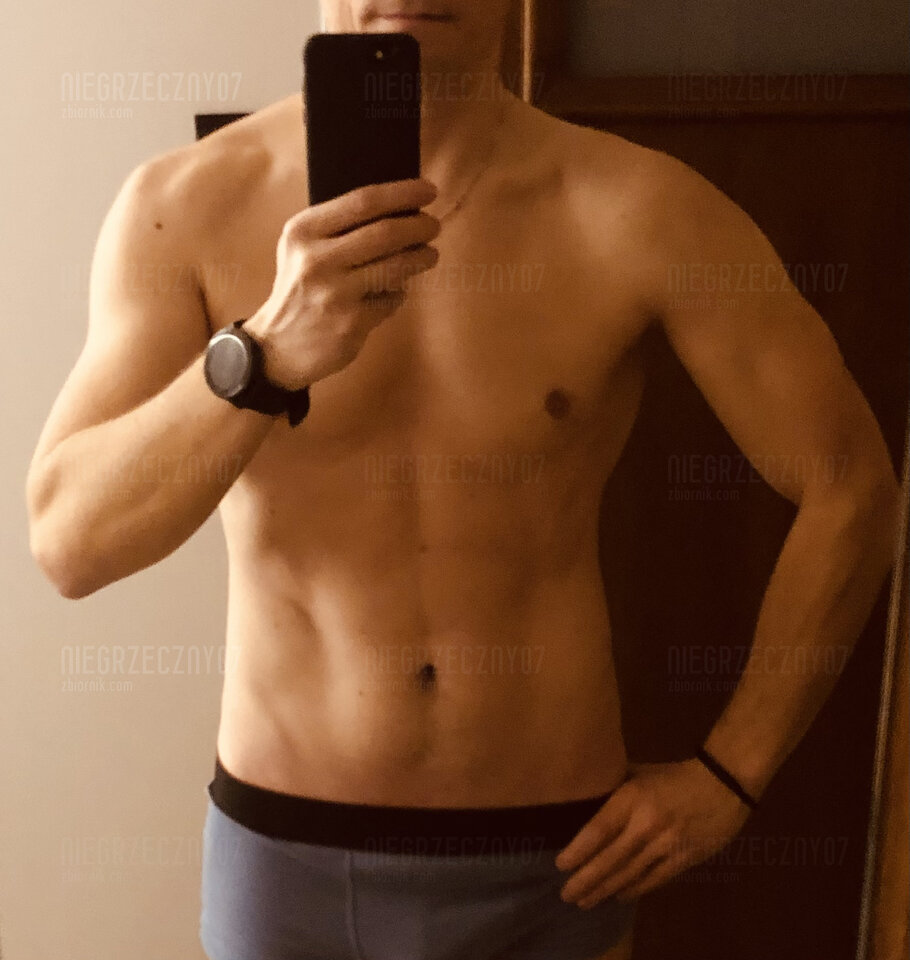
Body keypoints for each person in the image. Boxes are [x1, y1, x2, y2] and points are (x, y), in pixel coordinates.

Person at [26, 2, 901, 959]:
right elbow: (71, 544)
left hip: (557, 858)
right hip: (288, 859)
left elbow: (851, 487)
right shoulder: (187, 204)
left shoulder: (637, 206)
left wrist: (731, 774)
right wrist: (261, 356)